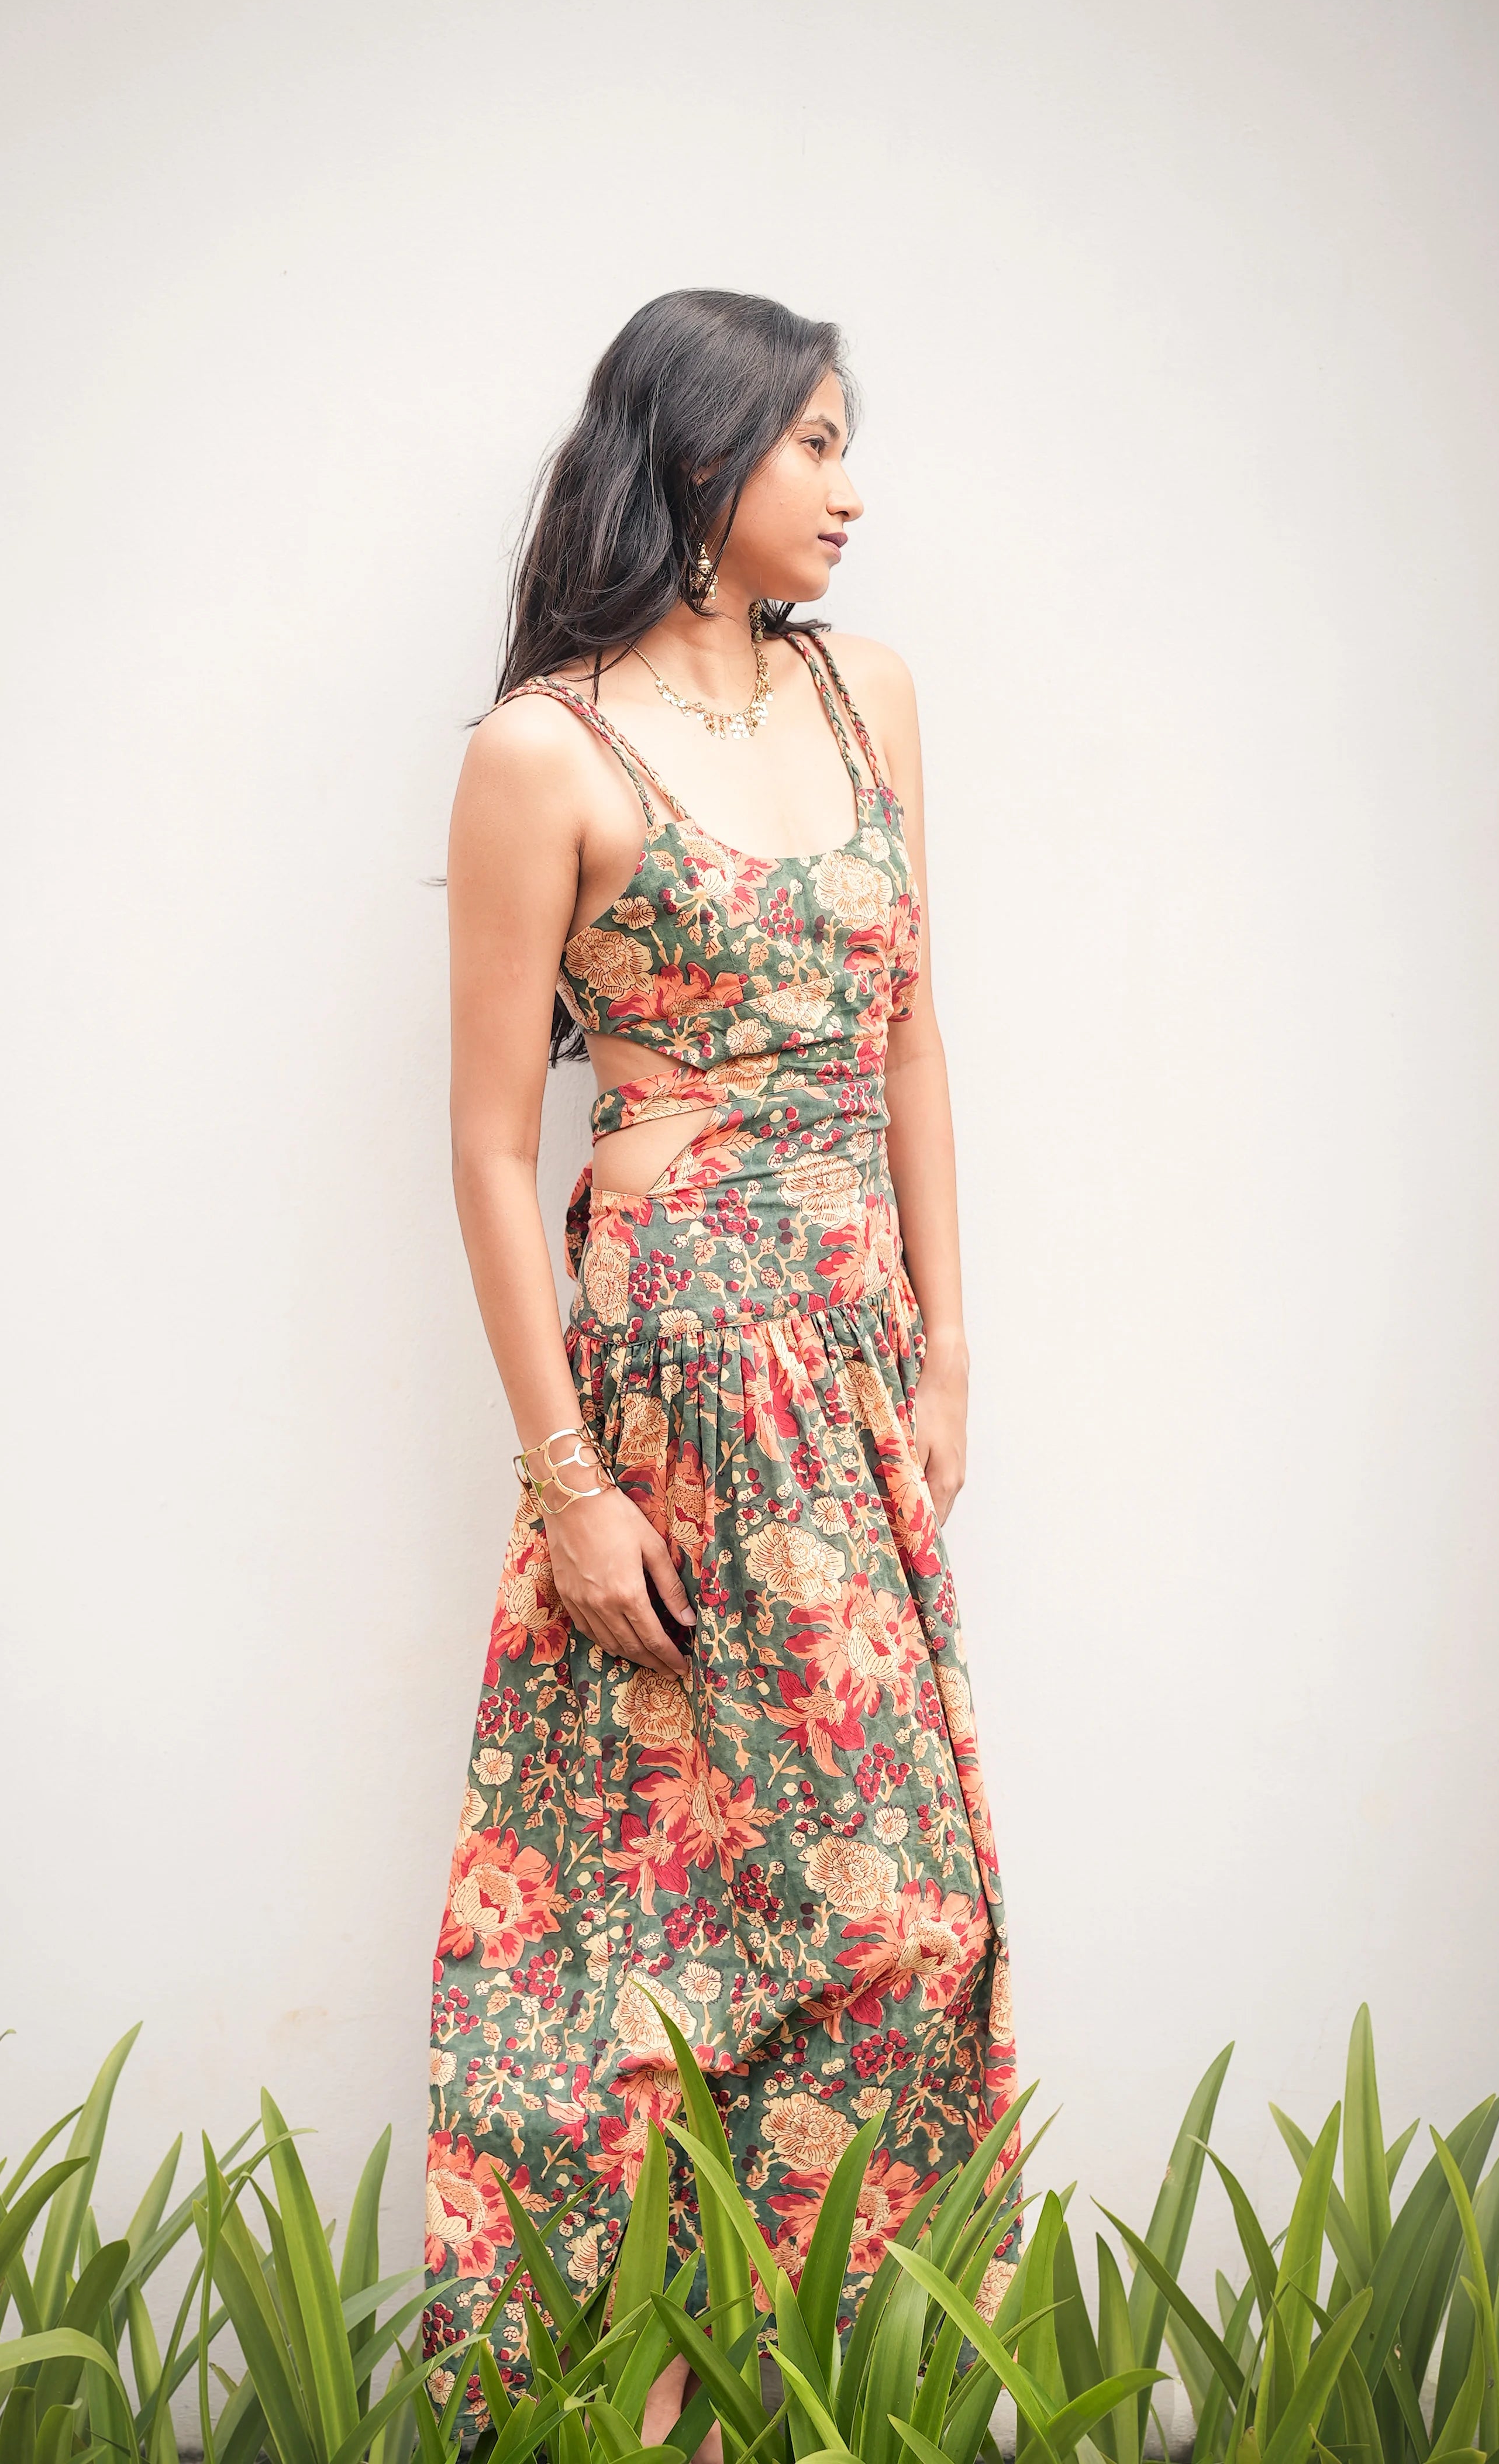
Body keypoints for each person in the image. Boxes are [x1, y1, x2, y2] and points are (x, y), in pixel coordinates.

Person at [423, 290, 1018, 2444]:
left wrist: (952, 1360)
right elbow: (496, 1142)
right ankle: (616, 2417)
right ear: (701, 464)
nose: (855, 493)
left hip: (849, 1384)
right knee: (633, 1961)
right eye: (819, 447)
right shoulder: (544, 753)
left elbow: (915, 1030)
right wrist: (566, 1481)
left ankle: (834, 2398)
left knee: (902, 1926)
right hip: (663, 1408)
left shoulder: (875, 697)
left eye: (856, 447)